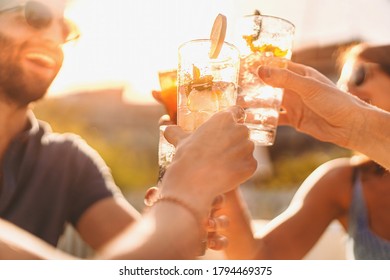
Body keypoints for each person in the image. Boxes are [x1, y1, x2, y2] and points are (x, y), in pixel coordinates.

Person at [0, 0, 257, 259]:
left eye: (64, 31)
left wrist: (174, 214)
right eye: (36, 16)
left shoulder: (67, 162)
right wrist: (182, 199)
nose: (53, 39)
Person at [219, 44, 390, 260]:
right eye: (340, 87)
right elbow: (259, 262)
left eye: (359, 74)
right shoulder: (344, 183)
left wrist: (359, 127)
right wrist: (219, 173)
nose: (345, 94)